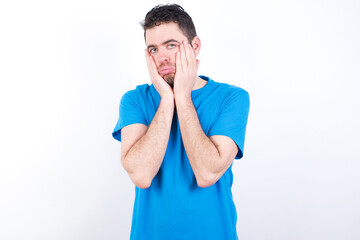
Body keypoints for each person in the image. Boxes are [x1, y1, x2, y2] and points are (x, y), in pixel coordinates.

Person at [112, 4, 250, 240]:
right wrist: (167, 98)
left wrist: (183, 97)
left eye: (171, 45)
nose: (162, 56)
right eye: (153, 49)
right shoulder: (135, 100)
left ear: (195, 46)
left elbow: (207, 173)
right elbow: (141, 175)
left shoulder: (232, 97)